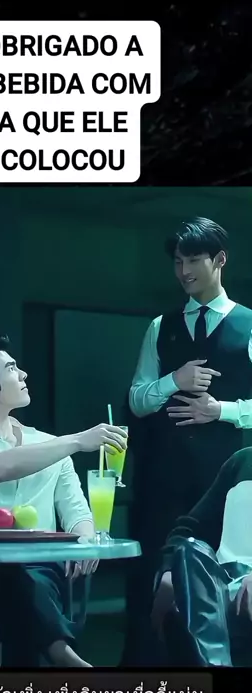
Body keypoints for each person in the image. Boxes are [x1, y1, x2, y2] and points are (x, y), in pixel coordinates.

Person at [0, 334, 127, 668]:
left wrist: (86, 541)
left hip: (42, 572)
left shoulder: (51, 445)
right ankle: (65, 658)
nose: (23, 374)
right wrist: (77, 441)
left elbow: (77, 512)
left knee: (29, 579)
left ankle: (60, 661)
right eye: (11, 368)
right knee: (9, 575)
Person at [124, 216, 252, 664]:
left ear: (219, 260)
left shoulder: (249, 325)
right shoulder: (161, 326)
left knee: (222, 584)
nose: (184, 271)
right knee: (153, 580)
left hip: (227, 482)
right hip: (164, 478)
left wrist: (223, 411)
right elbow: (137, 399)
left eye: (194, 260)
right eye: (178, 262)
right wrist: (173, 381)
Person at [152, 447, 252, 666]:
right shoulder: (243, 462)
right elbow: (188, 529)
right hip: (220, 583)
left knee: (189, 615)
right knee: (190, 549)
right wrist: (168, 571)